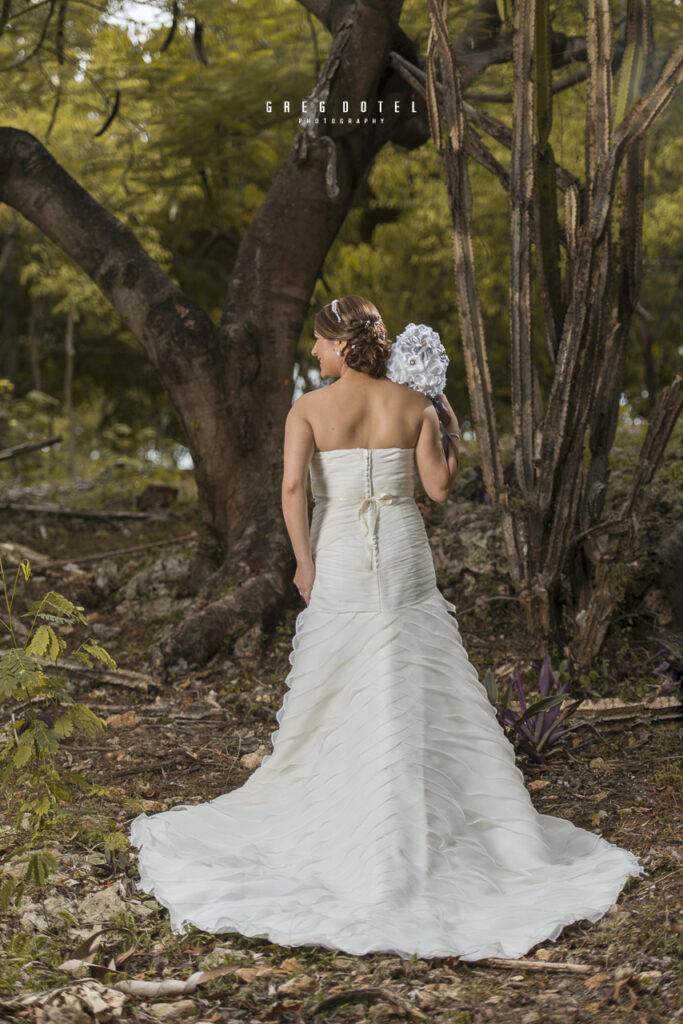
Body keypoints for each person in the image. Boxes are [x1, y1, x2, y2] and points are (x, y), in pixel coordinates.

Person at [130, 294, 645, 961]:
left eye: (318, 342)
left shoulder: (307, 409)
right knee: (407, 661)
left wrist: (304, 565)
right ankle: (415, 807)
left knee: (342, 673)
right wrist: (448, 426)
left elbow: (292, 490)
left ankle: (356, 815)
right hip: (400, 543)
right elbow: (435, 490)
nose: (312, 353)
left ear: (340, 346)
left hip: (342, 542)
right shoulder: (415, 406)